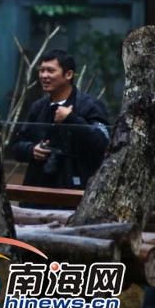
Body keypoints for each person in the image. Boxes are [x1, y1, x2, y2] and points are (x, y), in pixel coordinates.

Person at [11, 49, 110, 203]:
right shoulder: (37, 107)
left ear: (68, 75)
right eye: (41, 71)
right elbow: (16, 146)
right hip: (37, 191)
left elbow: (103, 144)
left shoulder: (90, 106)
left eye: (50, 71)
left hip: (75, 194)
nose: (44, 76)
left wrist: (71, 119)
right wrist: (31, 150)